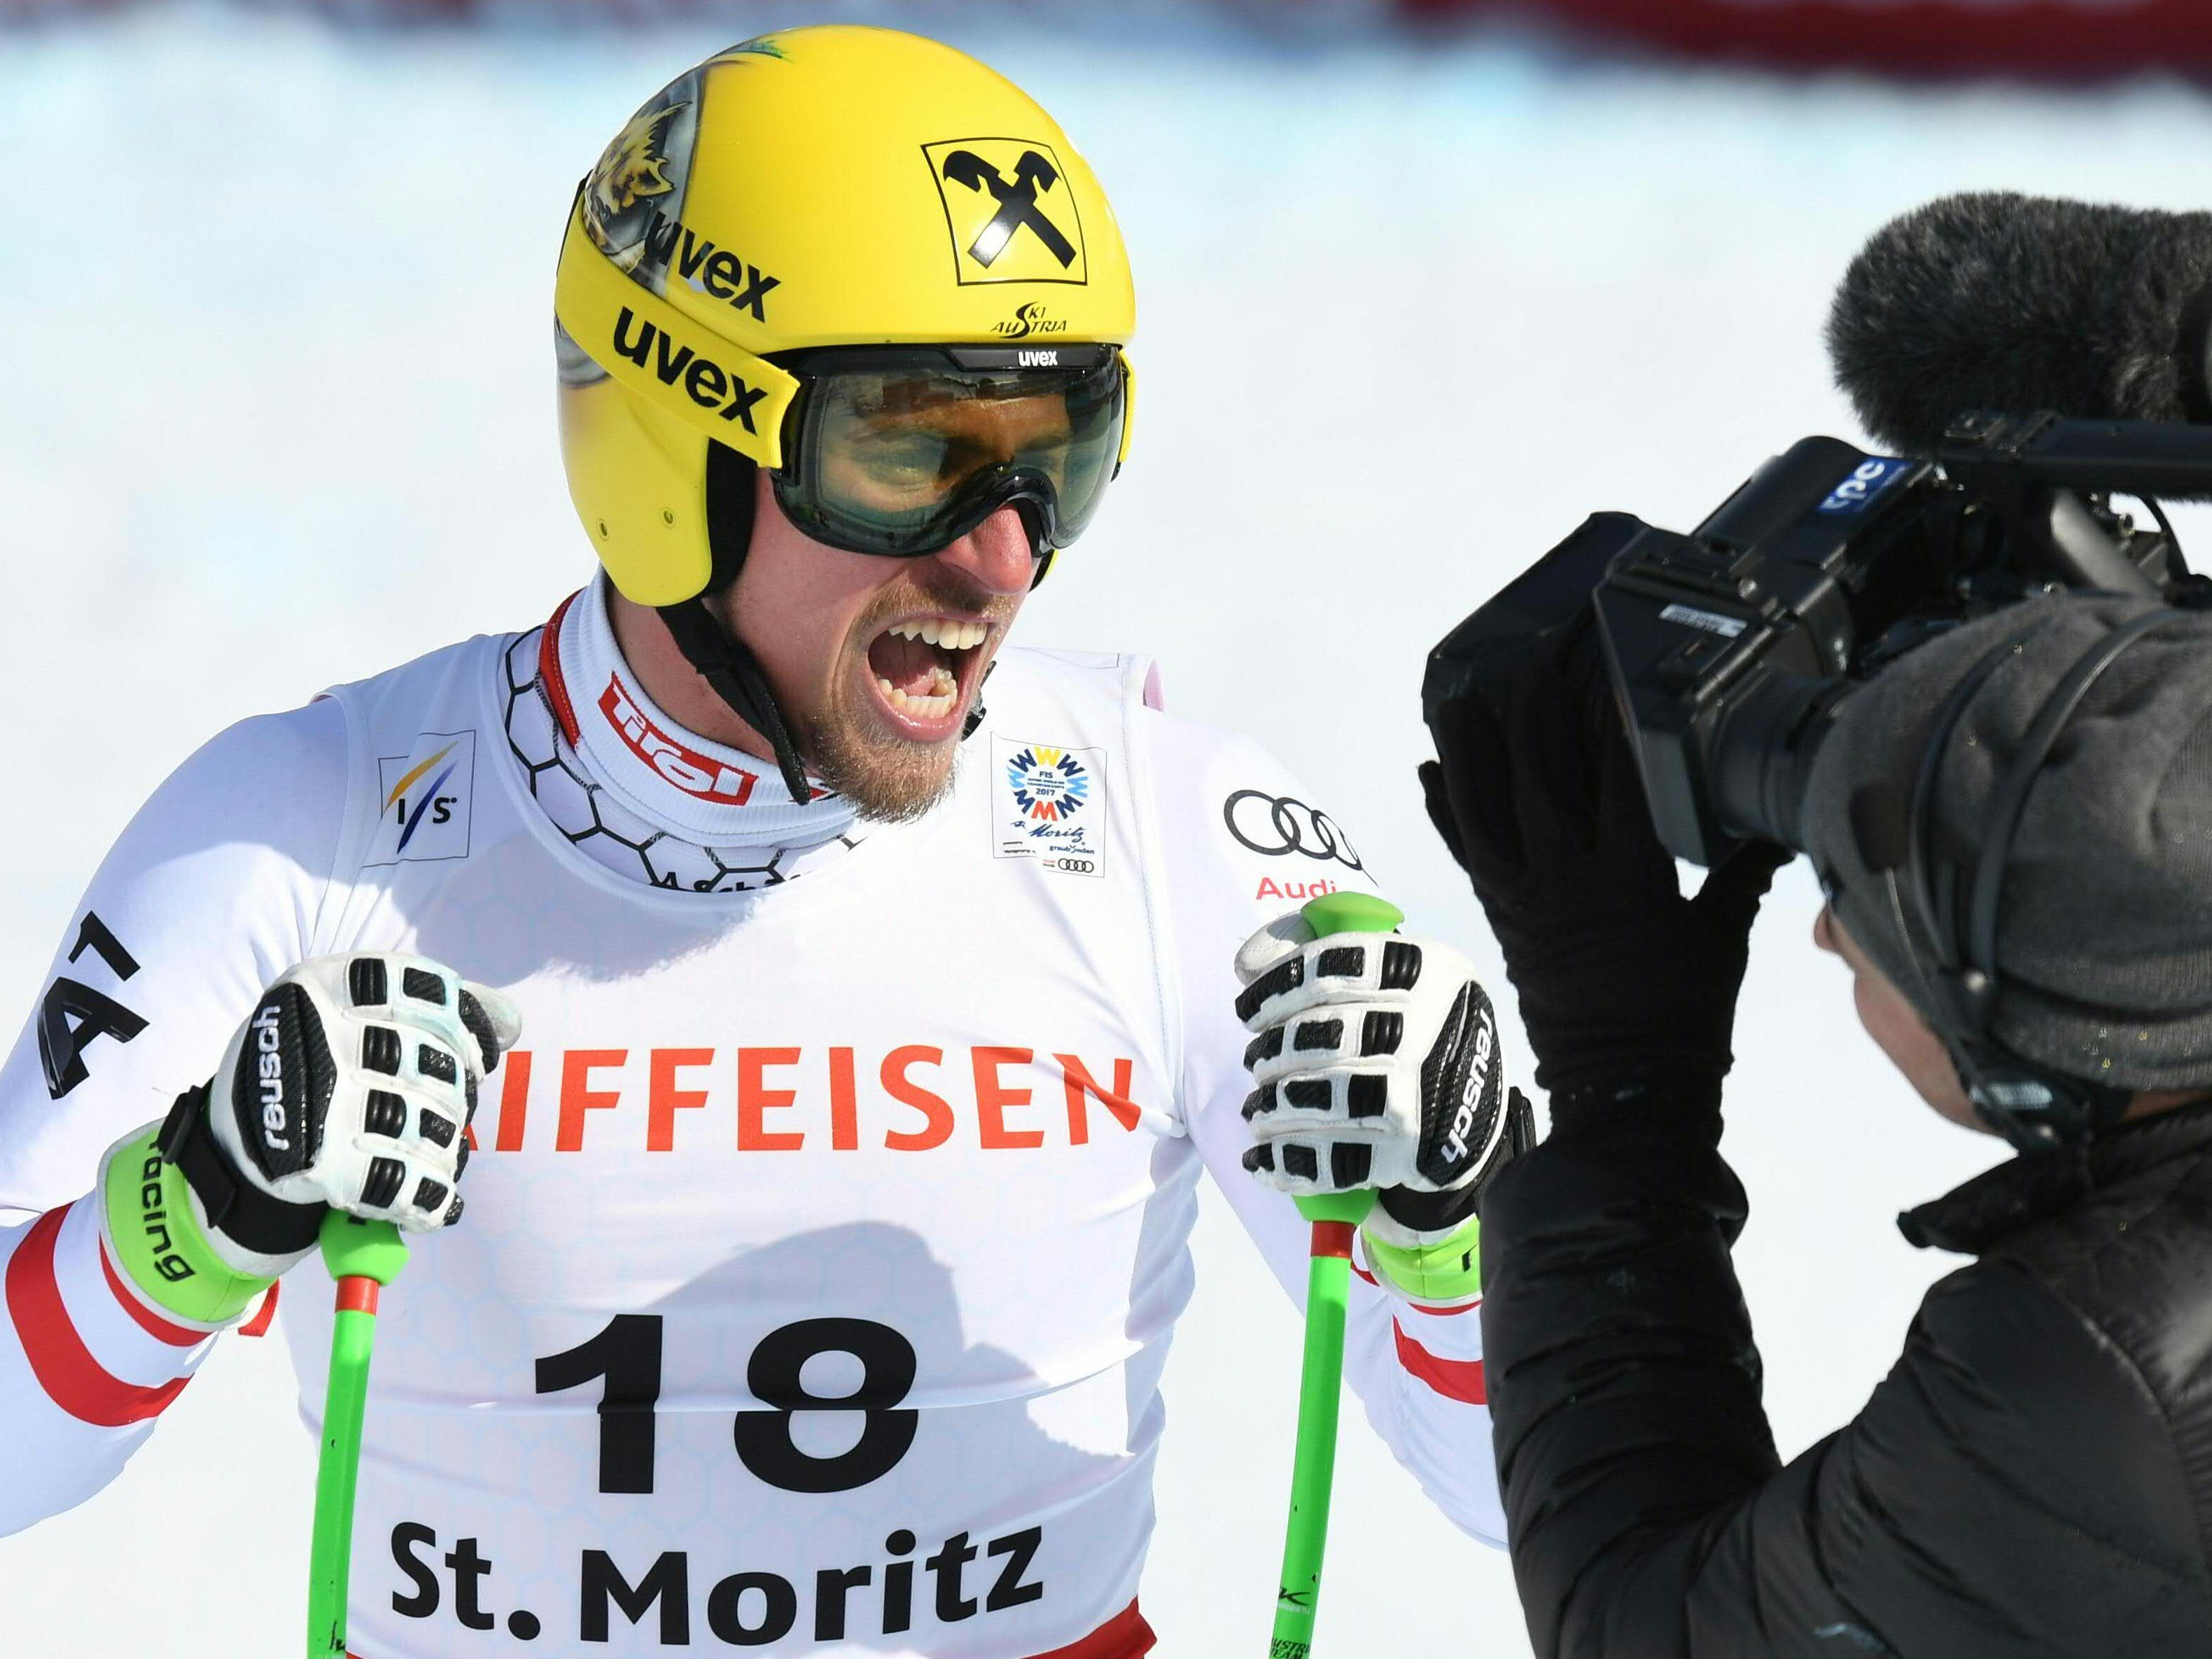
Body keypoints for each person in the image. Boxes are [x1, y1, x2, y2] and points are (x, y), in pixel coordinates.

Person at [0, 27, 1524, 1658]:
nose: (1002, 562)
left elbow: (1522, 1497)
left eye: (1057, 455)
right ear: (672, 451)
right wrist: (201, 1205)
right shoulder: (314, 822)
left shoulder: (1166, 828)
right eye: (910, 455)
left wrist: (1449, 1227)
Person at [1420, 592, 2212, 1658]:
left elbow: (1643, 1629)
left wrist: (1623, 1086)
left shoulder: (2094, 1376)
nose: (1828, 932)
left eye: (1857, 898)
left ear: (2022, 1046)